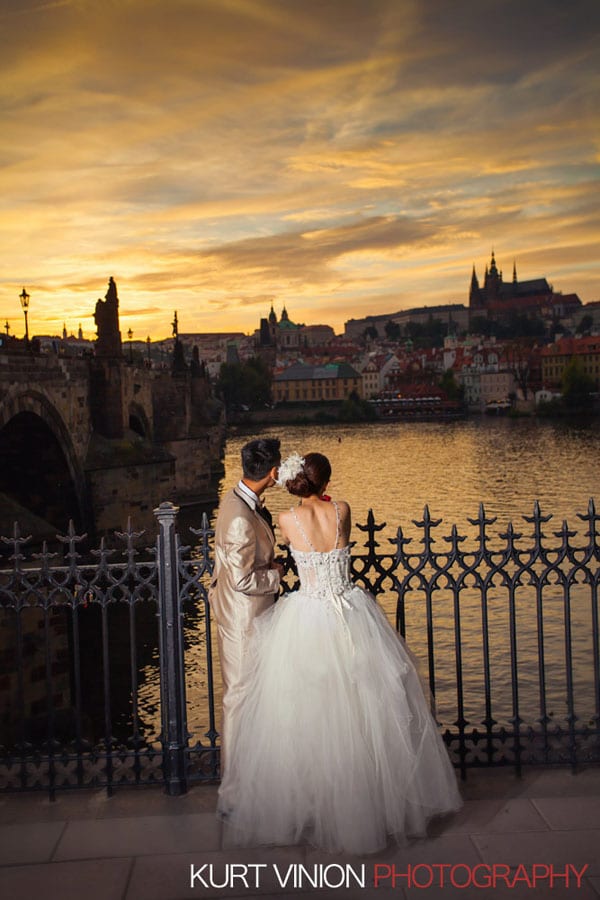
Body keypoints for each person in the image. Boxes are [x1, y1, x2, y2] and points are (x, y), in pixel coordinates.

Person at [218, 451, 462, 855]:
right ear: (326, 483)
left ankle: (314, 803)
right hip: (350, 612)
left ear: (297, 481)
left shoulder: (286, 520)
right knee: (365, 710)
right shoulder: (343, 510)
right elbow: (334, 523)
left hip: (307, 614)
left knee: (306, 716)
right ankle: (368, 803)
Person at [208, 437, 283, 791]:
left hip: (245, 616)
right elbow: (241, 579)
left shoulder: (238, 500)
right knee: (238, 698)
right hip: (242, 620)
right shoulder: (239, 516)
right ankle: (234, 789)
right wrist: (277, 574)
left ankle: (255, 777)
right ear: (272, 471)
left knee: (252, 696)